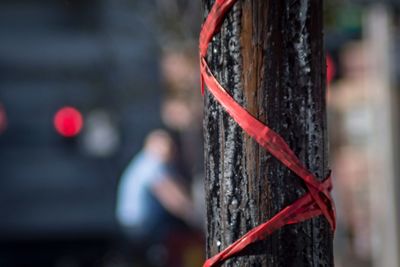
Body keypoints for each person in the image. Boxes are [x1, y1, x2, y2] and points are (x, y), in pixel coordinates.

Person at [116, 129, 195, 245]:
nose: (171, 150)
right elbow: (171, 198)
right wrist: (194, 215)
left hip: (131, 223)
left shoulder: (143, 161)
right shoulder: (153, 164)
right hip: (142, 224)